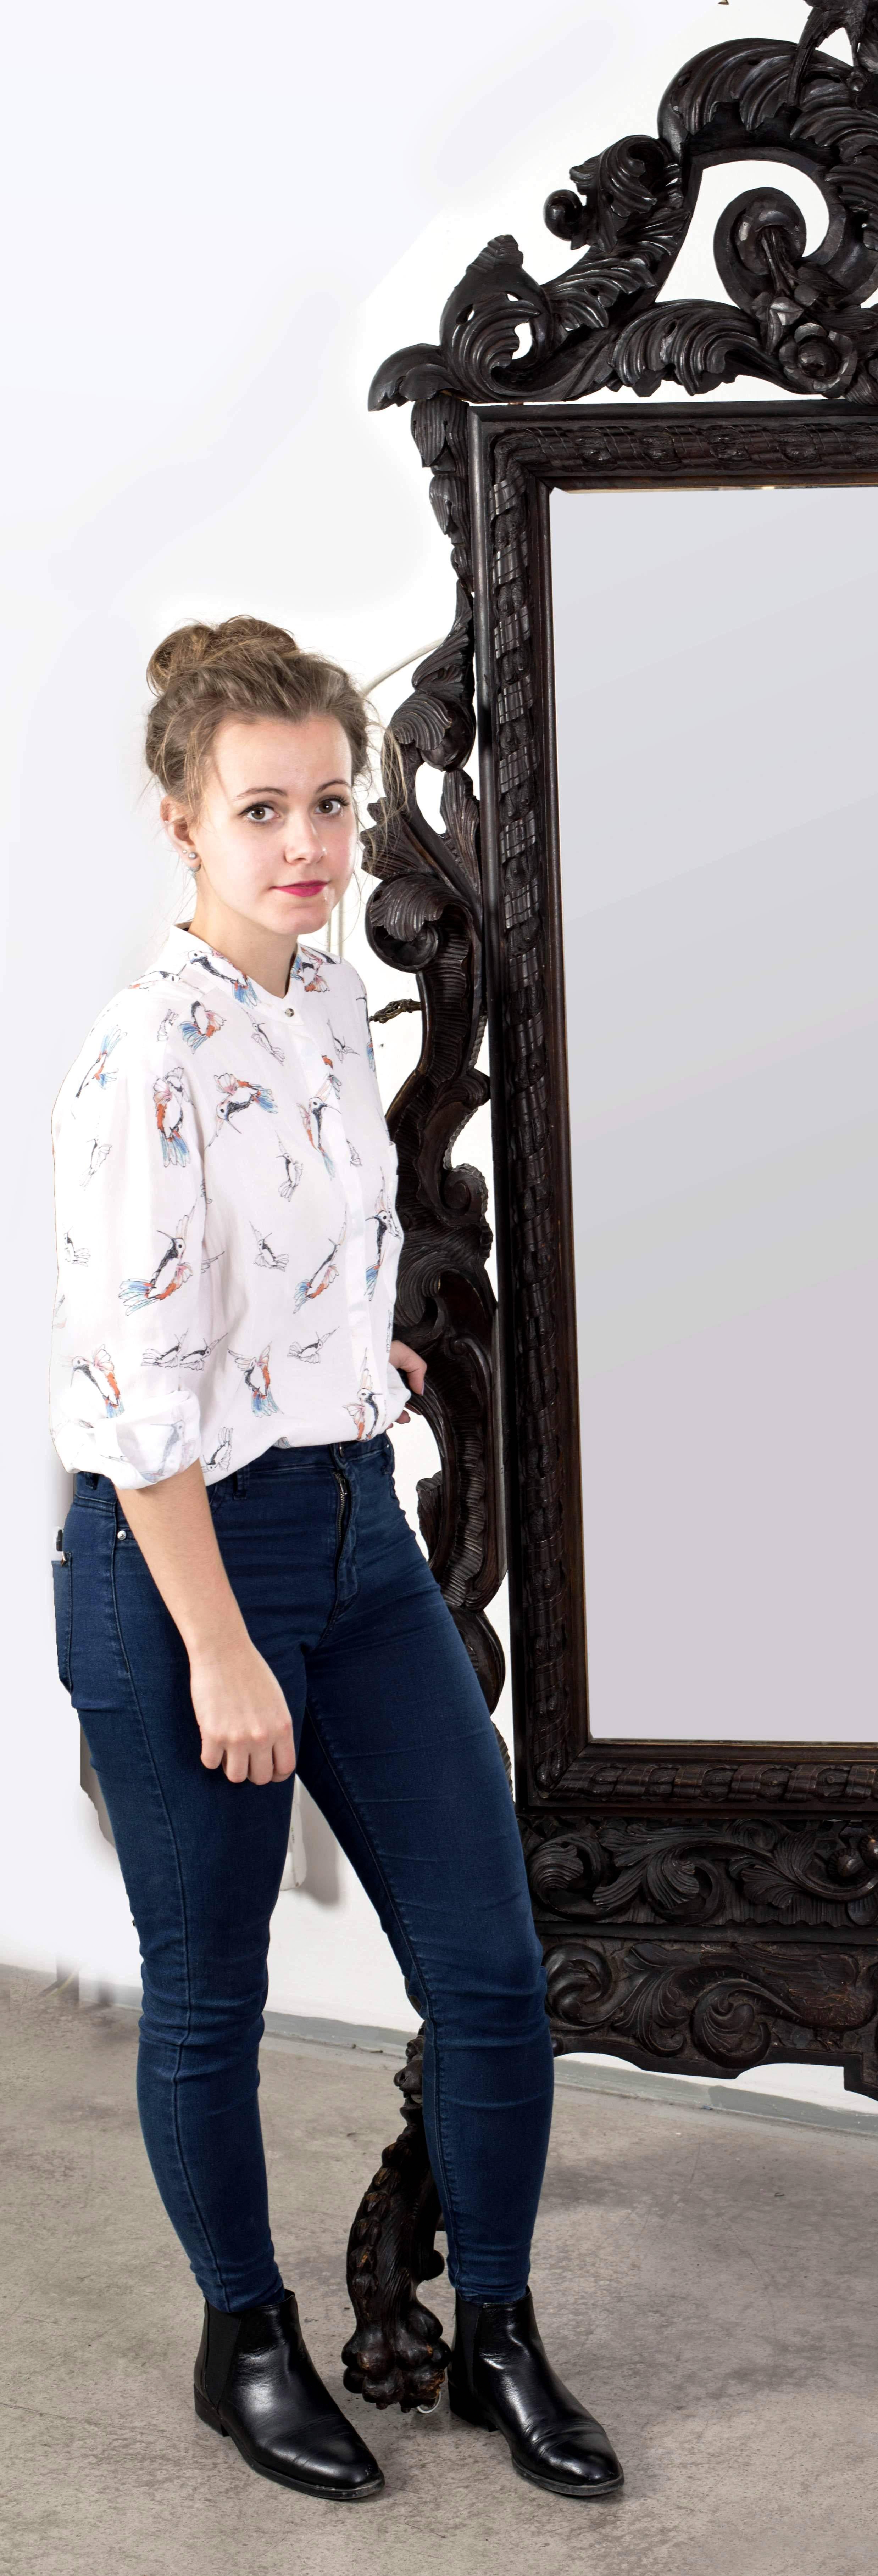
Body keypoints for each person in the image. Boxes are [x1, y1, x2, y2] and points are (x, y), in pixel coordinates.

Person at [49, 618, 622, 2506]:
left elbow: (277, 1263)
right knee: (207, 1988)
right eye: (264, 809)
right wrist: (219, 1649)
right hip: (183, 1565)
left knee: (491, 1969)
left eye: (331, 803)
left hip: (360, 1526)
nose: (308, 842)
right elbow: (140, 1400)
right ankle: (248, 2337)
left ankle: (500, 2330)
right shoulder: (148, 1054)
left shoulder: (318, 1001)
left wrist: (334, 1350)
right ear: (181, 821)